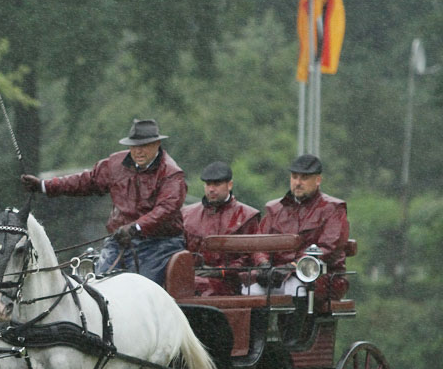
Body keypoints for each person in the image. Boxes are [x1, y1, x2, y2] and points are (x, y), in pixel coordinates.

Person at [21, 118, 186, 285]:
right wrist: (43, 185)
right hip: (120, 241)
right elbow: (86, 181)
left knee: (142, 288)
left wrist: (136, 227)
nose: (138, 152)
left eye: (144, 146)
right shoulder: (115, 164)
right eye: (134, 146)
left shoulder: (171, 174)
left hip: (160, 245)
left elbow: (167, 209)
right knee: (99, 286)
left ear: (157, 144)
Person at [246, 154, 349, 299]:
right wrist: (263, 265)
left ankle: (294, 323)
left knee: (295, 287)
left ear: (318, 180)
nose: (298, 182)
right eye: (294, 177)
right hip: (275, 276)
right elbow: (260, 244)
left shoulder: (333, 209)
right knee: (249, 291)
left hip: (316, 275)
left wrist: (292, 267)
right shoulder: (274, 209)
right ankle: (258, 322)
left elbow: (328, 249)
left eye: (304, 178)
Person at [182, 161, 260, 296]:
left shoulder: (247, 216)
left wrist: (221, 271)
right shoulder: (187, 214)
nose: (211, 189)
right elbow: (180, 250)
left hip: (231, 282)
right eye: (208, 184)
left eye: (217, 184)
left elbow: (250, 257)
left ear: (230, 185)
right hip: (191, 277)